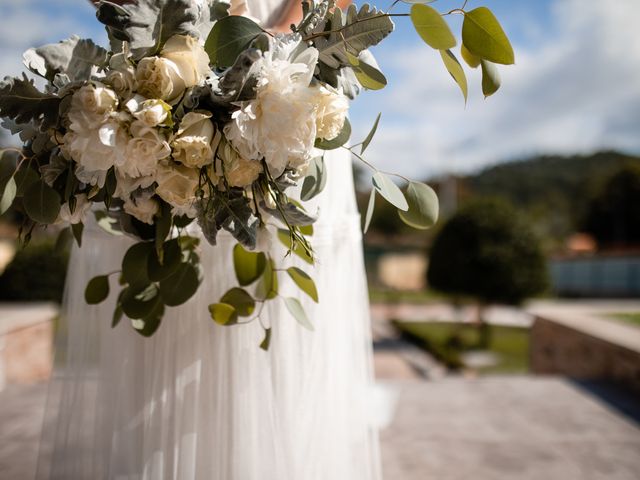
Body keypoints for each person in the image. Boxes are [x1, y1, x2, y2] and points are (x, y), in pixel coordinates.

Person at [36, 1, 381, 479]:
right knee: (165, 303)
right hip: (156, 64)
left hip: (282, 76)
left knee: (276, 327)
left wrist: (278, 42)